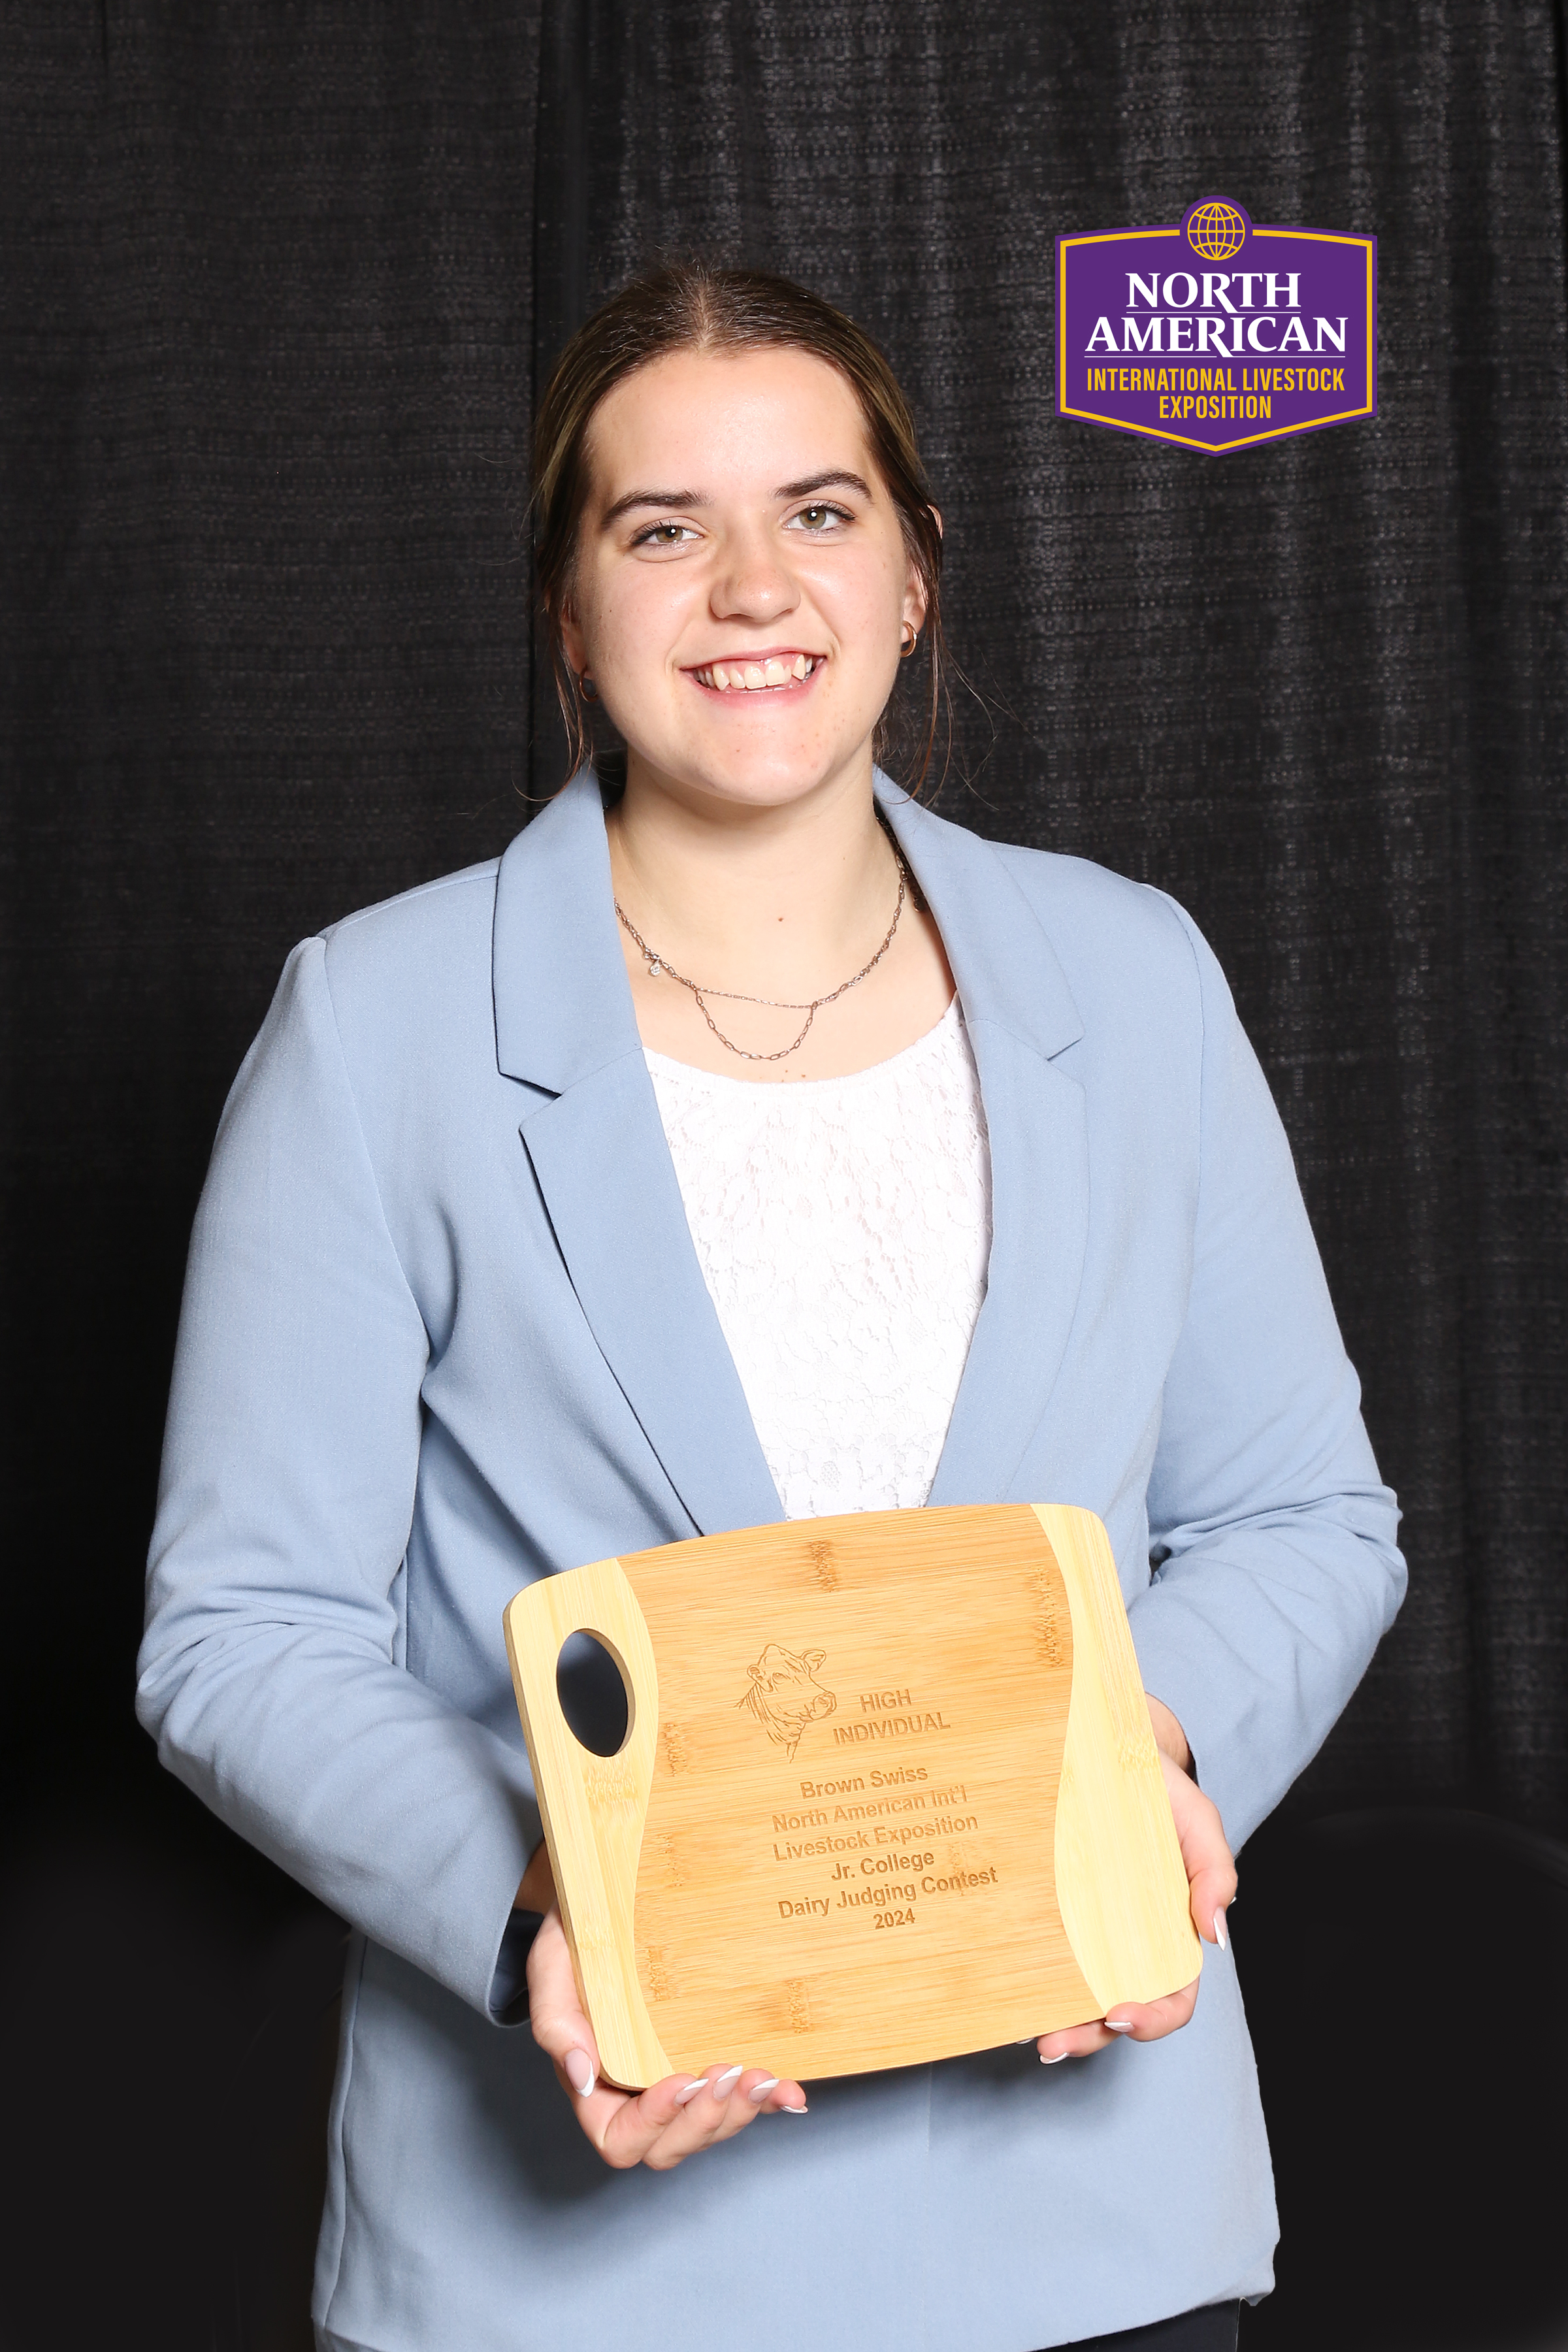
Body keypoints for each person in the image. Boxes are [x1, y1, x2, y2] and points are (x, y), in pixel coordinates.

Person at [137, 265, 1405, 2352]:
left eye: (820, 513)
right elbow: (242, 1633)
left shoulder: (1138, 976)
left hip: (1094, 2230)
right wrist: (552, 1906)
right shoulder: (372, 1026)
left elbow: (1301, 1518)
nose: (753, 585)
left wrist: (1128, 1768)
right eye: (665, 528)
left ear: (915, 578)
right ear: (569, 612)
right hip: (570, 2265)